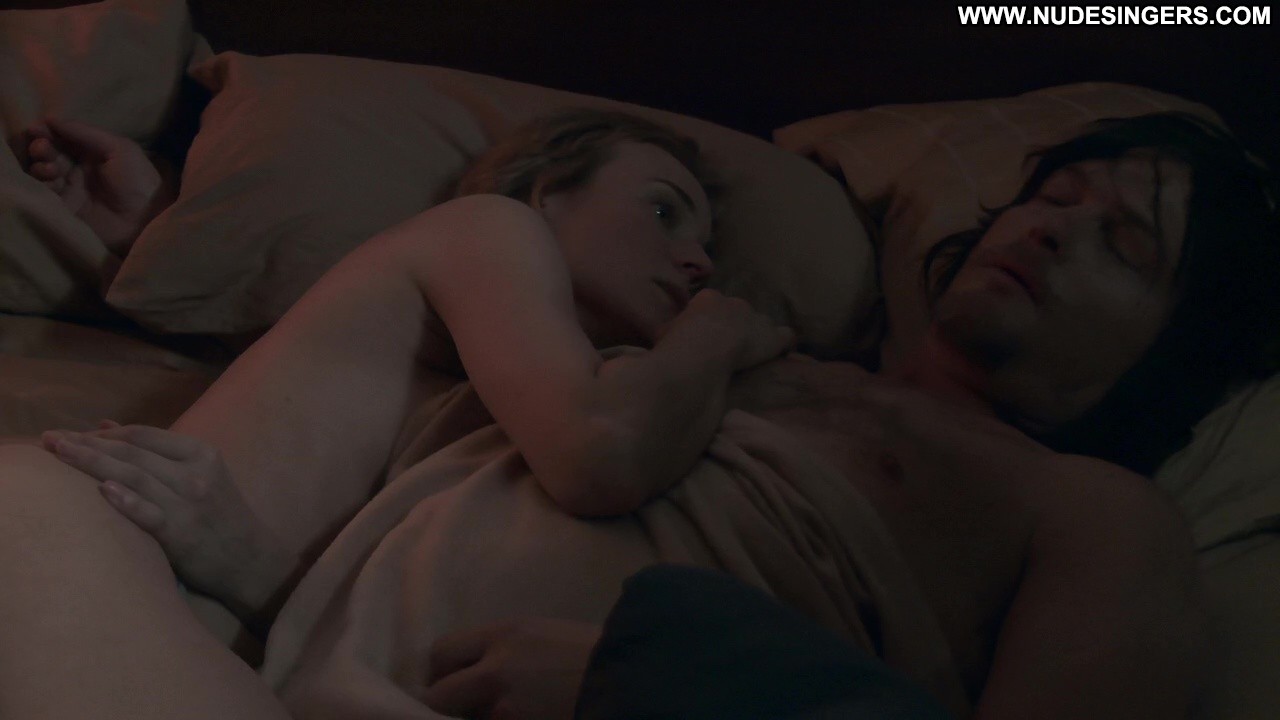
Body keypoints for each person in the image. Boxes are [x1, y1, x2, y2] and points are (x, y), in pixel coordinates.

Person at [13, 110, 1280, 719]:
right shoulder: (706, 347)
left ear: (1175, 351)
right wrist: (161, 228)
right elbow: (429, 313)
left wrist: (669, 681)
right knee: (26, 500)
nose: (1051, 229)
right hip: (272, 689)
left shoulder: (1096, 514)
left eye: (1121, 242)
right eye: (1052, 198)